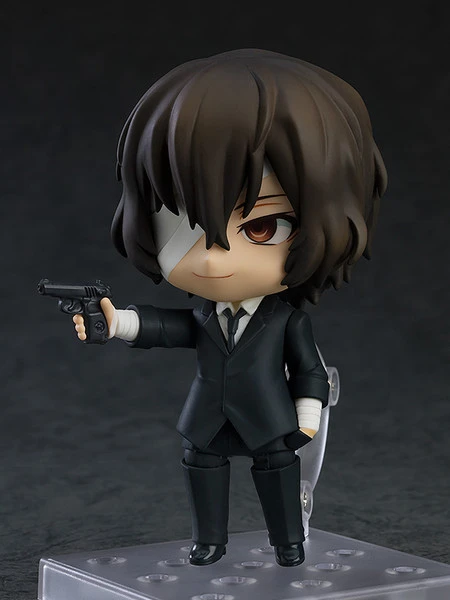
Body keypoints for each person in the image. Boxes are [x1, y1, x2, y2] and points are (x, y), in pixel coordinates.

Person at [72, 49, 387, 567]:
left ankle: (288, 542)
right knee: (201, 466)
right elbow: (167, 327)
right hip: (208, 417)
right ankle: (209, 541)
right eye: (180, 224)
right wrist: (118, 322)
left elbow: (309, 369)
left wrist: (308, 415)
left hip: (269, 418)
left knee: (277, 471)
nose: (212, 258)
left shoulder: (286, 320)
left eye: (260, 227)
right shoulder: (203, 315)